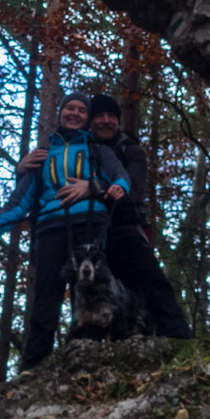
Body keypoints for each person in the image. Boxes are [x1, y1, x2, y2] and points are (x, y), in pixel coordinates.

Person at [0, 92, 130, 372]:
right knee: (45, 298)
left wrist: (118, 186)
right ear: (60, 113)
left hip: (89, 228)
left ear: (87, 118)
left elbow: (119, 176)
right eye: (69, 108)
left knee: (90, 294)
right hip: (50, 229)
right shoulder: (42, 156)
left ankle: (87, 362)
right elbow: (20, 202)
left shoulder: (99, 151)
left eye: (81, 110)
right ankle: (33, 368)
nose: (74, 113)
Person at [82, 93, 194, 339]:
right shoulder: (81, 151)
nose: (106, 121)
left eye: (111, 116)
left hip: (125, 229)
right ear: (90, 122)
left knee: (152, 284)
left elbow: (132, 191)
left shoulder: (131, 151)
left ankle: (177, 338)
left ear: (118, 121)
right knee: (94, 293)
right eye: (99, 116)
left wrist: (98, 188)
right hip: (89, 234)